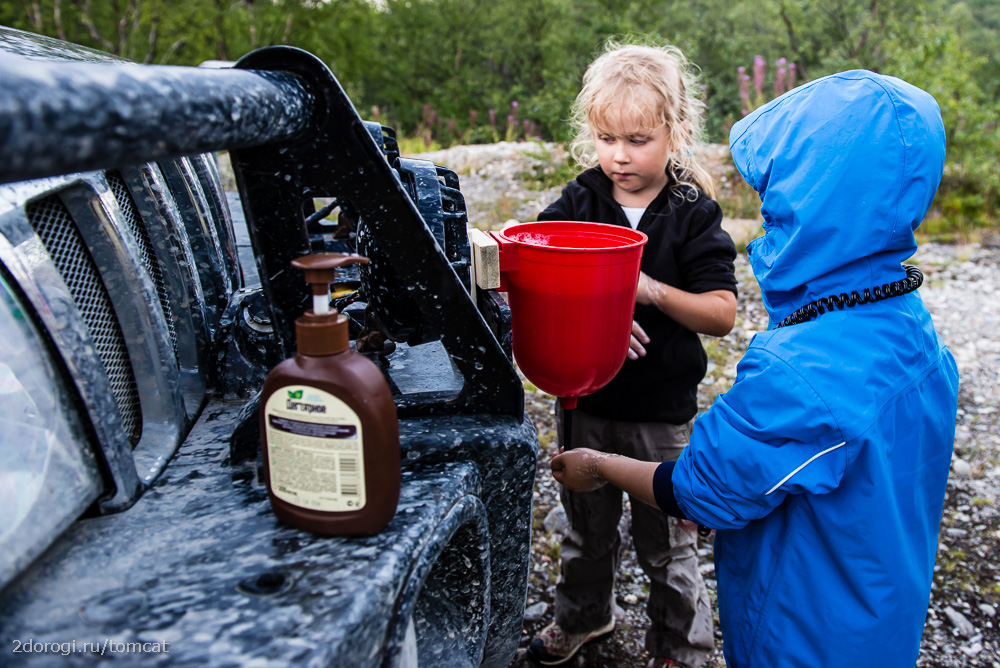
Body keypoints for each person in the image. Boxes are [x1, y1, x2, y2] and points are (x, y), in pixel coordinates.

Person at [549, 69, 960, 668]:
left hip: (802, 639)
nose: (771, 221)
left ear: (814, 206)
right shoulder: (921, 343)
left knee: (668, 553)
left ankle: (679, 648)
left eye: (779, 207)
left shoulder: (799, 373)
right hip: (883, 622)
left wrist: (599, 465)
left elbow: (700, 489)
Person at [527, 41, 738, 668]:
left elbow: (721, 314)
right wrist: (599, 317)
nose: (619, 156)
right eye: (606, 138)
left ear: (674, 132)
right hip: (586, 401)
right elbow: (538, 271)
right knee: (585, 532)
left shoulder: (691, 213)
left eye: (638, 139)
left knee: (667, 543)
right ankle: (586, 618)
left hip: (659, 415)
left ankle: (681, 647)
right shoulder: (580, 202)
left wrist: (647, 289)